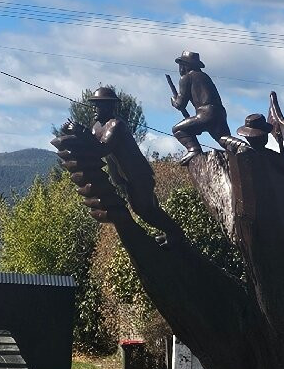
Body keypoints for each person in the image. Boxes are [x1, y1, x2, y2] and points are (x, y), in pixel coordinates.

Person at [89, 87, 178, 240]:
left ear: (109, 106)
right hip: (123, 178)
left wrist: (81, 134)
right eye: (94, 104)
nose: (94, 108)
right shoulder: (96, 127)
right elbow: (91, 147)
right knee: (144, 209)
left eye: (99, 104)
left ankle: (175, 235)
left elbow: (102, 149)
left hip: (138, 175)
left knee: (145, 209)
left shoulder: (115, 125)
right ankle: (173, 234)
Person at [170, 50, 231, 164]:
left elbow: (181, 104)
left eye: (181, 64)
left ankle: (194, 149)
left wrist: (174, 101)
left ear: (185, 65)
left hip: (205, 114)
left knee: (178, 130)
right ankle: (242, 148)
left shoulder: (186, 78)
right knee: (223, 139)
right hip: (219, 113)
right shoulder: (205, 76)